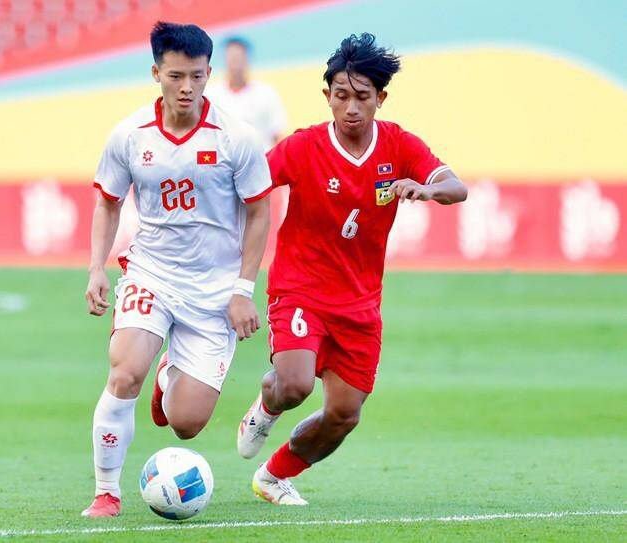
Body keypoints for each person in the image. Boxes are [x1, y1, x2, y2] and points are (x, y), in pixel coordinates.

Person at [236, 33, 468, 505]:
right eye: (341, 96)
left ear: (381, 97)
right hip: (300, 287)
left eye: (363, 96)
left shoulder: (399, 145)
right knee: (295, 385)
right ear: (328, 96)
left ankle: (274, 476)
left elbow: (456, 186)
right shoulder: (303, 147)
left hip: (360, 303)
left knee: (344, 415)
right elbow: (250, 187)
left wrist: (427, 189)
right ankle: (268, 403)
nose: (351, 108)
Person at [82, 21, 272, 517]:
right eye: (175, 76)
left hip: (214, 291)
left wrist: (243, 289)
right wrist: (97, 269)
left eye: (196, 76)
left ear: (208, 73)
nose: (187, 87)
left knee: (185, 423)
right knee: (125, 372)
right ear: (156, 74)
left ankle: (170, 378)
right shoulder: (129, 135)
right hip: (153, 273)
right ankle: (106, 492)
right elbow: (107, 203)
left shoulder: (237, 138)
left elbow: (259, 213)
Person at [207, 37, 288, 150]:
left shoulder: (266, 93)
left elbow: (278, 134)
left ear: (247, 59)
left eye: (239, 57)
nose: (235, 62)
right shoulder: (211, 94)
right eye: (232, 57)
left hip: (262, 157)